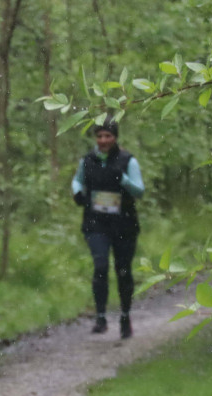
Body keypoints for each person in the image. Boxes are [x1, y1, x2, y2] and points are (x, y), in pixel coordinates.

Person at [71, 115, 145, 339]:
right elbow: (78, 180)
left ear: (115, 137)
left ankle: (125, 316)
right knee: (100, 266)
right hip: (96, 224)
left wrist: (122, 180)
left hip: (124, 225)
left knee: (123, 271)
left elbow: (139, 191)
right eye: (100, 136)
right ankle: (101, 317)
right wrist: (77, 192)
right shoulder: (88, 160)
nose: (103, 140)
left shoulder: (128, 161)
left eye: (108, 135)